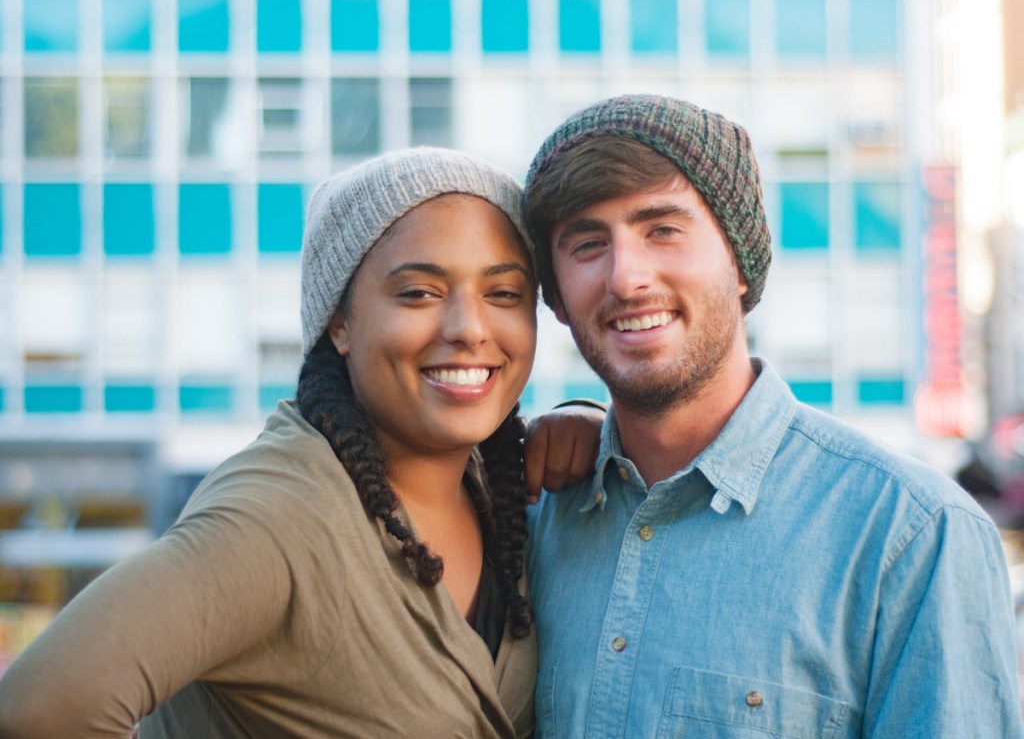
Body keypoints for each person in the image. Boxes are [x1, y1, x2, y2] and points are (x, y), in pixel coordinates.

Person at [0, 147, 597, 738]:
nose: (469, 328)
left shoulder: (499, 488)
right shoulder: (280, 515)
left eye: (503, 294)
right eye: (419, 292)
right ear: (339, 322)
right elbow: (39, 709)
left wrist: (592, 425)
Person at [522, 94, 1024, 737]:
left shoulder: (912, 535)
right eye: (588, 244)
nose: (627, 277)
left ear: (739, 259)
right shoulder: (533, 514)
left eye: (662, 230)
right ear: (557, 297)